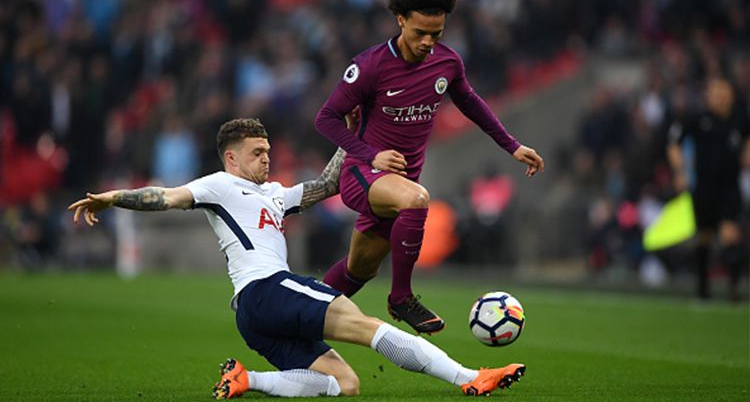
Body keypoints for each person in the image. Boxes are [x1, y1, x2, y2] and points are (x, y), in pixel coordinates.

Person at [68, 118, 526, 399]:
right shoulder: (219, 185)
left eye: (268, 150)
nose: (267, 158)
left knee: (345, 384)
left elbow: (327, 184)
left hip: (252, 314)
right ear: (231, 157)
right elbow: (164, 196)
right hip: (267, 287)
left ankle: (249, 381)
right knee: (366, 327)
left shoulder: (273, 194)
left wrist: (354, 133)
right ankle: (470, 377)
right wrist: (113, 197)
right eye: (257, 153)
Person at [315, 0, 544, 334]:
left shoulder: (447, 62)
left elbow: (471, 103)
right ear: (401, 20)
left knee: (359, 269)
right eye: (421, 32)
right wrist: (371, 156)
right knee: (418, 201)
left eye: (436, 34)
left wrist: (512, 146)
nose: (427, 42)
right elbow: (325, 118)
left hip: (399, 182)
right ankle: (401, 297)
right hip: (363, 173)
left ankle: (301, 313)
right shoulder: (370, 65)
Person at [667, 78, 750, 301]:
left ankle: (734, 287)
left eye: (722, 91)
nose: (718, 96)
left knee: (730, 234)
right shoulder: (698, 118)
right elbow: (674, 142)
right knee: (704, 237)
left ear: (730, 94)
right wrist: (679, 172)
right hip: (704, 187)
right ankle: (703, 288)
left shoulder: (741, 118)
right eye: (713, 92)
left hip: (730, 187)